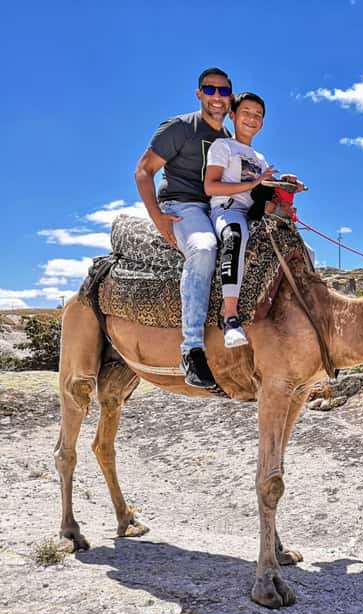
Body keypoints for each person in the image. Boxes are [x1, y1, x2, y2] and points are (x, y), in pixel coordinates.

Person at [133, 67, 233, 389]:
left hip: (216, 208)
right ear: (199, 94)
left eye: (223, 91)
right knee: (203, 249)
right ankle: (192, 350)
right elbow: (143, 170)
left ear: (230, 97)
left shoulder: (229, 140)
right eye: (210, 89)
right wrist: (157, 216)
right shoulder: (181, 127)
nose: (217, 96)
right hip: (182, 206)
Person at [203, 92, 276, 348]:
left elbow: (263, 193)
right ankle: (231, 316)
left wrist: (286, 186)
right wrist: (254, 183)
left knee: (301, 247)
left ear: (262, 123)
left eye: (258, 115)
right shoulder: (222, 146)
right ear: (232, 115)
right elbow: (211, 186)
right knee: (235, 235)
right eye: (246, 112)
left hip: (253, 215)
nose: (252, 118)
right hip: (227, 210)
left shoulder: (260, 158)